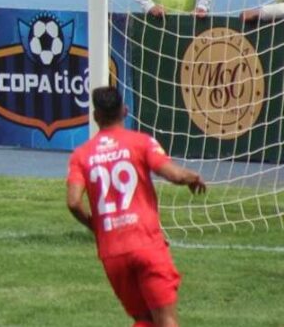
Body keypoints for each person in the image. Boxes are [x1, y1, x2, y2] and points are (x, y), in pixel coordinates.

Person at [67, 87, 206, 327]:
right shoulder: (140, 143)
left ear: (95, 116)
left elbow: (73, 202)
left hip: (112, 251)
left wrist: (96, 226)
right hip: (146, 244)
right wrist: (191, 177)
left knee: (144, 319)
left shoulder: (81, 155)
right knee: (166, 320)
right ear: (125, 110)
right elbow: (172, 174)